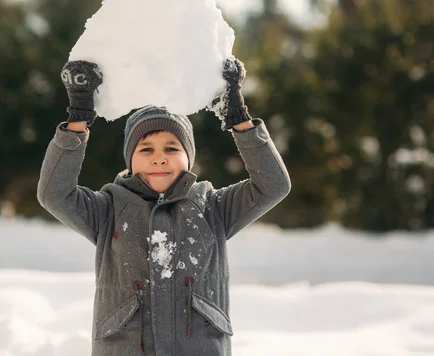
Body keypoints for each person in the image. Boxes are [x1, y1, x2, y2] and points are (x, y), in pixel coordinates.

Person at [37, 57, 291, 356]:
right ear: (129, 161)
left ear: (189, 157)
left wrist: (238, 118)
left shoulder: (213, 207)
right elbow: (54, 193)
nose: (159, 158)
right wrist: (78, 117)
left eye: (172, 148)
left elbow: (273, 185)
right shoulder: (108, 209)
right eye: (146, 149)